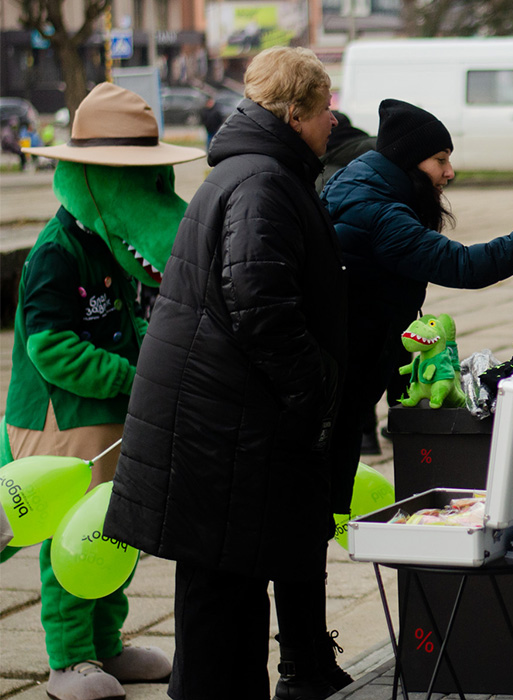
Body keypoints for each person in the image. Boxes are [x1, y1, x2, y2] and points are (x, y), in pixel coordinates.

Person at [104, 47, 352, 700]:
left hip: (222, 432)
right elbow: (260, 306)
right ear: (296, 113)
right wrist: (318, 388)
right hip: (222, 438)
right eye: (327, 108)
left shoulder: (255, 170)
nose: (335, 120)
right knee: (218, 624)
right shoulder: (263, 181)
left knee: (230, 608)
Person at [319, 98, 513, 594]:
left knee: (316, 514)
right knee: (315, 519)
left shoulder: (364, 180)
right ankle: (307, 656)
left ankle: (309, 652)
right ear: (410, 162)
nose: (450, 171)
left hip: (348, 366)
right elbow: (467, 267)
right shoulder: (379, 210)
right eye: (440, 160)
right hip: (340, 377)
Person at [4, 82, 204, 700]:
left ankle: (107, 645)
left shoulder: (108, 248)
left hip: (111, 418)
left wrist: (157, 351)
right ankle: (68, 658)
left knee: (115, 532)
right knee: (70, 538)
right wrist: (134, 375)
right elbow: (50, 348)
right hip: (61, 420)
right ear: (89, 177)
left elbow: (126, 319)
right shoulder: (56, 251)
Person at [312, 111, 382, 454]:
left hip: (342, 277)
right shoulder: (374, 152)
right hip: (381, 274)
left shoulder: (325, 170)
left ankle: (365, 434)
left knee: (349, 359)